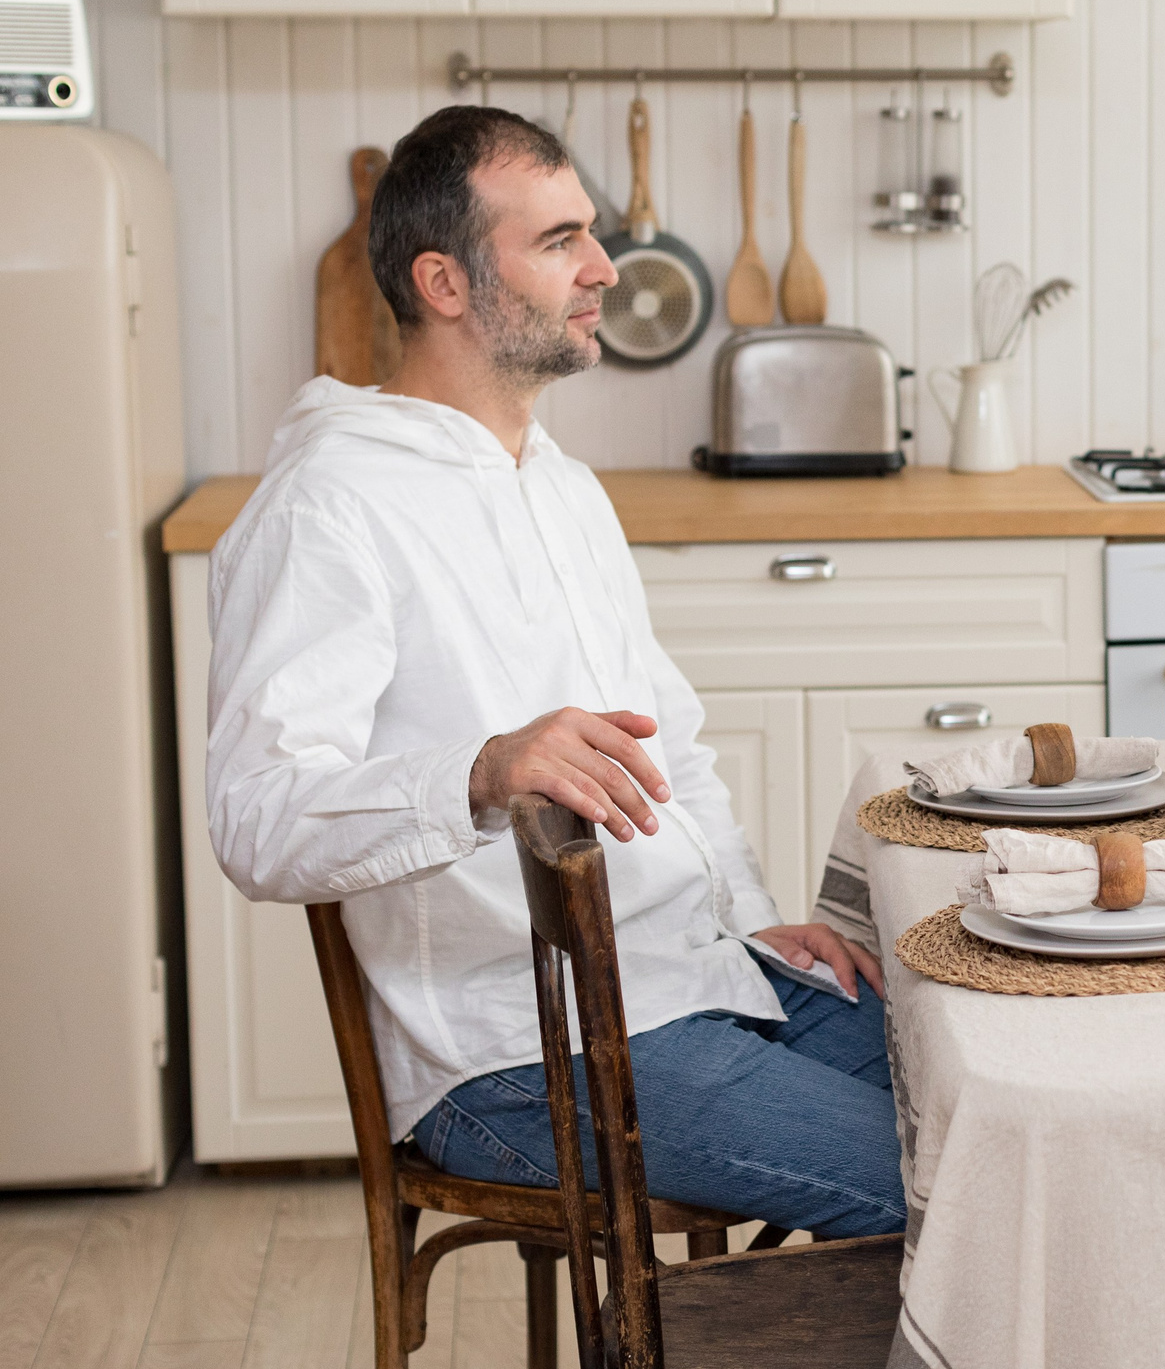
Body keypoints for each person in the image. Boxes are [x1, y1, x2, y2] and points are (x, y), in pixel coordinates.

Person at [206, 105, 903, 1241]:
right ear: (444, 282)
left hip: (695, 978)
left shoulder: (559, 482)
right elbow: (256, 819)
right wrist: (479, 771)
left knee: (1016, 1110)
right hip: (519, 1051)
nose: (603, 267)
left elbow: (667, 741)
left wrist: (754, 918)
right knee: (961, 1190)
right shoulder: (328, 506)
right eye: (558, 240)